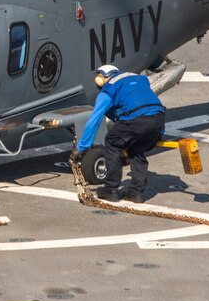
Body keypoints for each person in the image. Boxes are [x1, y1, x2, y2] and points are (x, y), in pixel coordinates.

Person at [70, 64, 166, 203]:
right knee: (136, 148)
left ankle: (111, 190)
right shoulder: (137, 79)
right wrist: (159, 132)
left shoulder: (109, 89)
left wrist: (81, 147)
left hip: (135, 119)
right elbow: (149, 104)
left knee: (112, 142)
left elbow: (94, 121)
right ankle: (136, 193)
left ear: (101, 79)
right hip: (158, 119)